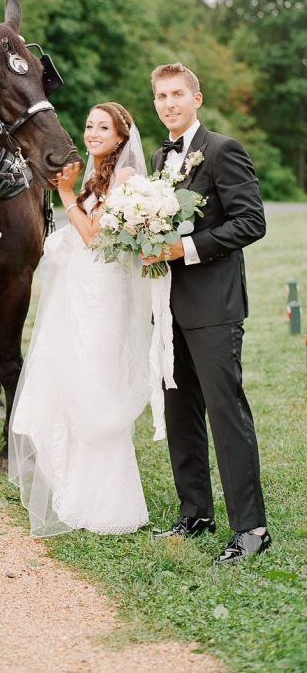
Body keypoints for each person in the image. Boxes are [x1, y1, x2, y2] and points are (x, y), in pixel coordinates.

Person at [144, 62, 270, 564]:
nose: (168, 104)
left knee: (226, 413)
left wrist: (185, 248)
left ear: (197, 98)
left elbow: (251, 222)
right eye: (160, 96)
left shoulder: (223, 150)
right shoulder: (159, 156)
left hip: (214, 307)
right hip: (169, 307)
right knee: (181, 413)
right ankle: (194, 513)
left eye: (177, 94)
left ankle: (252, 529)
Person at [8, 102, 152, 536]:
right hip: (77, 294)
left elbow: (96, 240)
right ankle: (72, 489)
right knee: (64, 382)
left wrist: (66, 196)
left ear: (121, 137)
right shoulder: (93, 178)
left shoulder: (126, 179)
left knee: (94, 384)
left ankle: (107, 501)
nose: (92, 133)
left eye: (102, 127)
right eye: (89, 126)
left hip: (104, 296)